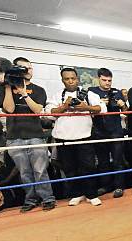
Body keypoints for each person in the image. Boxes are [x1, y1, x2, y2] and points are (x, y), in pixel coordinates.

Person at [0, 56, 56, 212]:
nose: (28, 70)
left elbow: (37, 110)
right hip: (14, 137)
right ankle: (31, 199)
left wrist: (24, 93)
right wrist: (8, 86)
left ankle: (48, 198)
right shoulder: (5, 87)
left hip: (35, 135)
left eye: (30, 67)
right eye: (24, 68)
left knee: (40, 170)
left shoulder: (38, 89)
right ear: (16, 70)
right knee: (24, 172)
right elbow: (9, 109)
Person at [48, 67, 104, 207]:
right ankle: (76, 194)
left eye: (73, 78)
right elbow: (49, 113)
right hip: (63, 137)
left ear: (77, 79)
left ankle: (91, 194)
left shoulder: (88, 94)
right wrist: (64, 106)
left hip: (84, 136)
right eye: (67, 79)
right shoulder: (56, 95)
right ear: (62, 80)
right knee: (69, 168)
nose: (70, 81)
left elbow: (101, 108)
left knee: (89, 166)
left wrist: (85, 107)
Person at [88, 68, 128, 198]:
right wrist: (100, 104)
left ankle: (119, 187)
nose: (107, 83)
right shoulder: (92, 92)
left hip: (116, 131)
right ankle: (106, 186)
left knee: (118, 160)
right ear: (98, 79)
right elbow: (89, 110)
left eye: (109, 80)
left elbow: (126, 112)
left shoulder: (117, 92)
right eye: (104, 80)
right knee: (103, 161)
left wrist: (122, 104)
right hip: (99, 131)